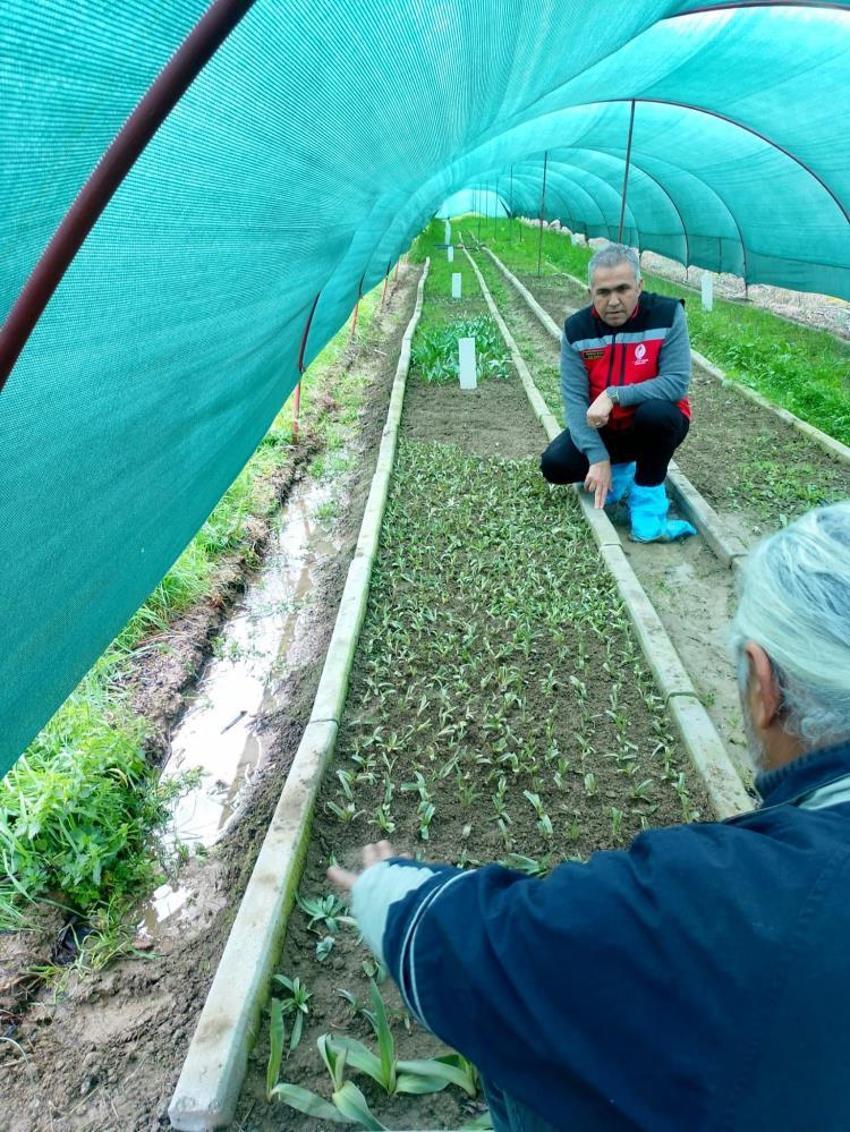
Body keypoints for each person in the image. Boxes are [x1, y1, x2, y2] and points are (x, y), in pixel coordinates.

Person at [330, 501, 850, 1130]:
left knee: (544, 1050)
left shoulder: (733, 894)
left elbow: (503, 953)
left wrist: (390, 891)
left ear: (766, 688)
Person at [540, 243, 695, 543]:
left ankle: (648, 507)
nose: (613, 301)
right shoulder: (577, 330)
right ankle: (618, 469)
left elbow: (676, 382)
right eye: (603, 292)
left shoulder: (667, 315)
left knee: (657, 415)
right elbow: (574, 402)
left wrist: (613, 395)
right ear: (590, 294)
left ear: (639, 286)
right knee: (555, 465)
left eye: (623, 289)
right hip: (607, 428)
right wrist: (597, 457)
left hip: (650, 425)